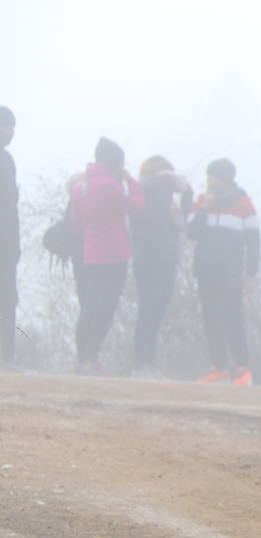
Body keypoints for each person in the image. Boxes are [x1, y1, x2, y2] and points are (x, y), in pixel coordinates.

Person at [69, 137, 143, 374]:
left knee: (89, 305)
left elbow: (76, 223)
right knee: (106, 306)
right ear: (115, 163)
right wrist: (131, 180)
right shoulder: (110, 185)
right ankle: (91, 358)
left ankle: (80, 358)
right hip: (114, 252)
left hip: (89, 253)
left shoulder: (81, 186)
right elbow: (136, 206)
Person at [187, 158, 259, 385]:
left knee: (233, 317)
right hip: (205, 269)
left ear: (223, 179)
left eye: (212, 176)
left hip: (230, 270)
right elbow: (192, 232)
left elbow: (254, 241)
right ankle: (218, 367)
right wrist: (204, 210)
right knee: (210, 318)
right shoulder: (201, 202)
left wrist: (251, 274)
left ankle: (241, 367)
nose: (208, 180)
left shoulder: (244, 204)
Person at [130, 155, 192, 378]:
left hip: (167, 258)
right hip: (149, 258)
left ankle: (149, 362)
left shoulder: (167, 200)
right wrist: (166, 190)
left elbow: (184, 222)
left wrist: (187, 195)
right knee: (148, 310)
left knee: (158, 312)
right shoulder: (143, 193)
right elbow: (153, 217)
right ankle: (140, 364)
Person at [0, 107, 18, 369]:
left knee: (7, 299)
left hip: (7, 245)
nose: (12, 131)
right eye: (7, 125)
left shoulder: (7, 160)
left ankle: (6, 358)